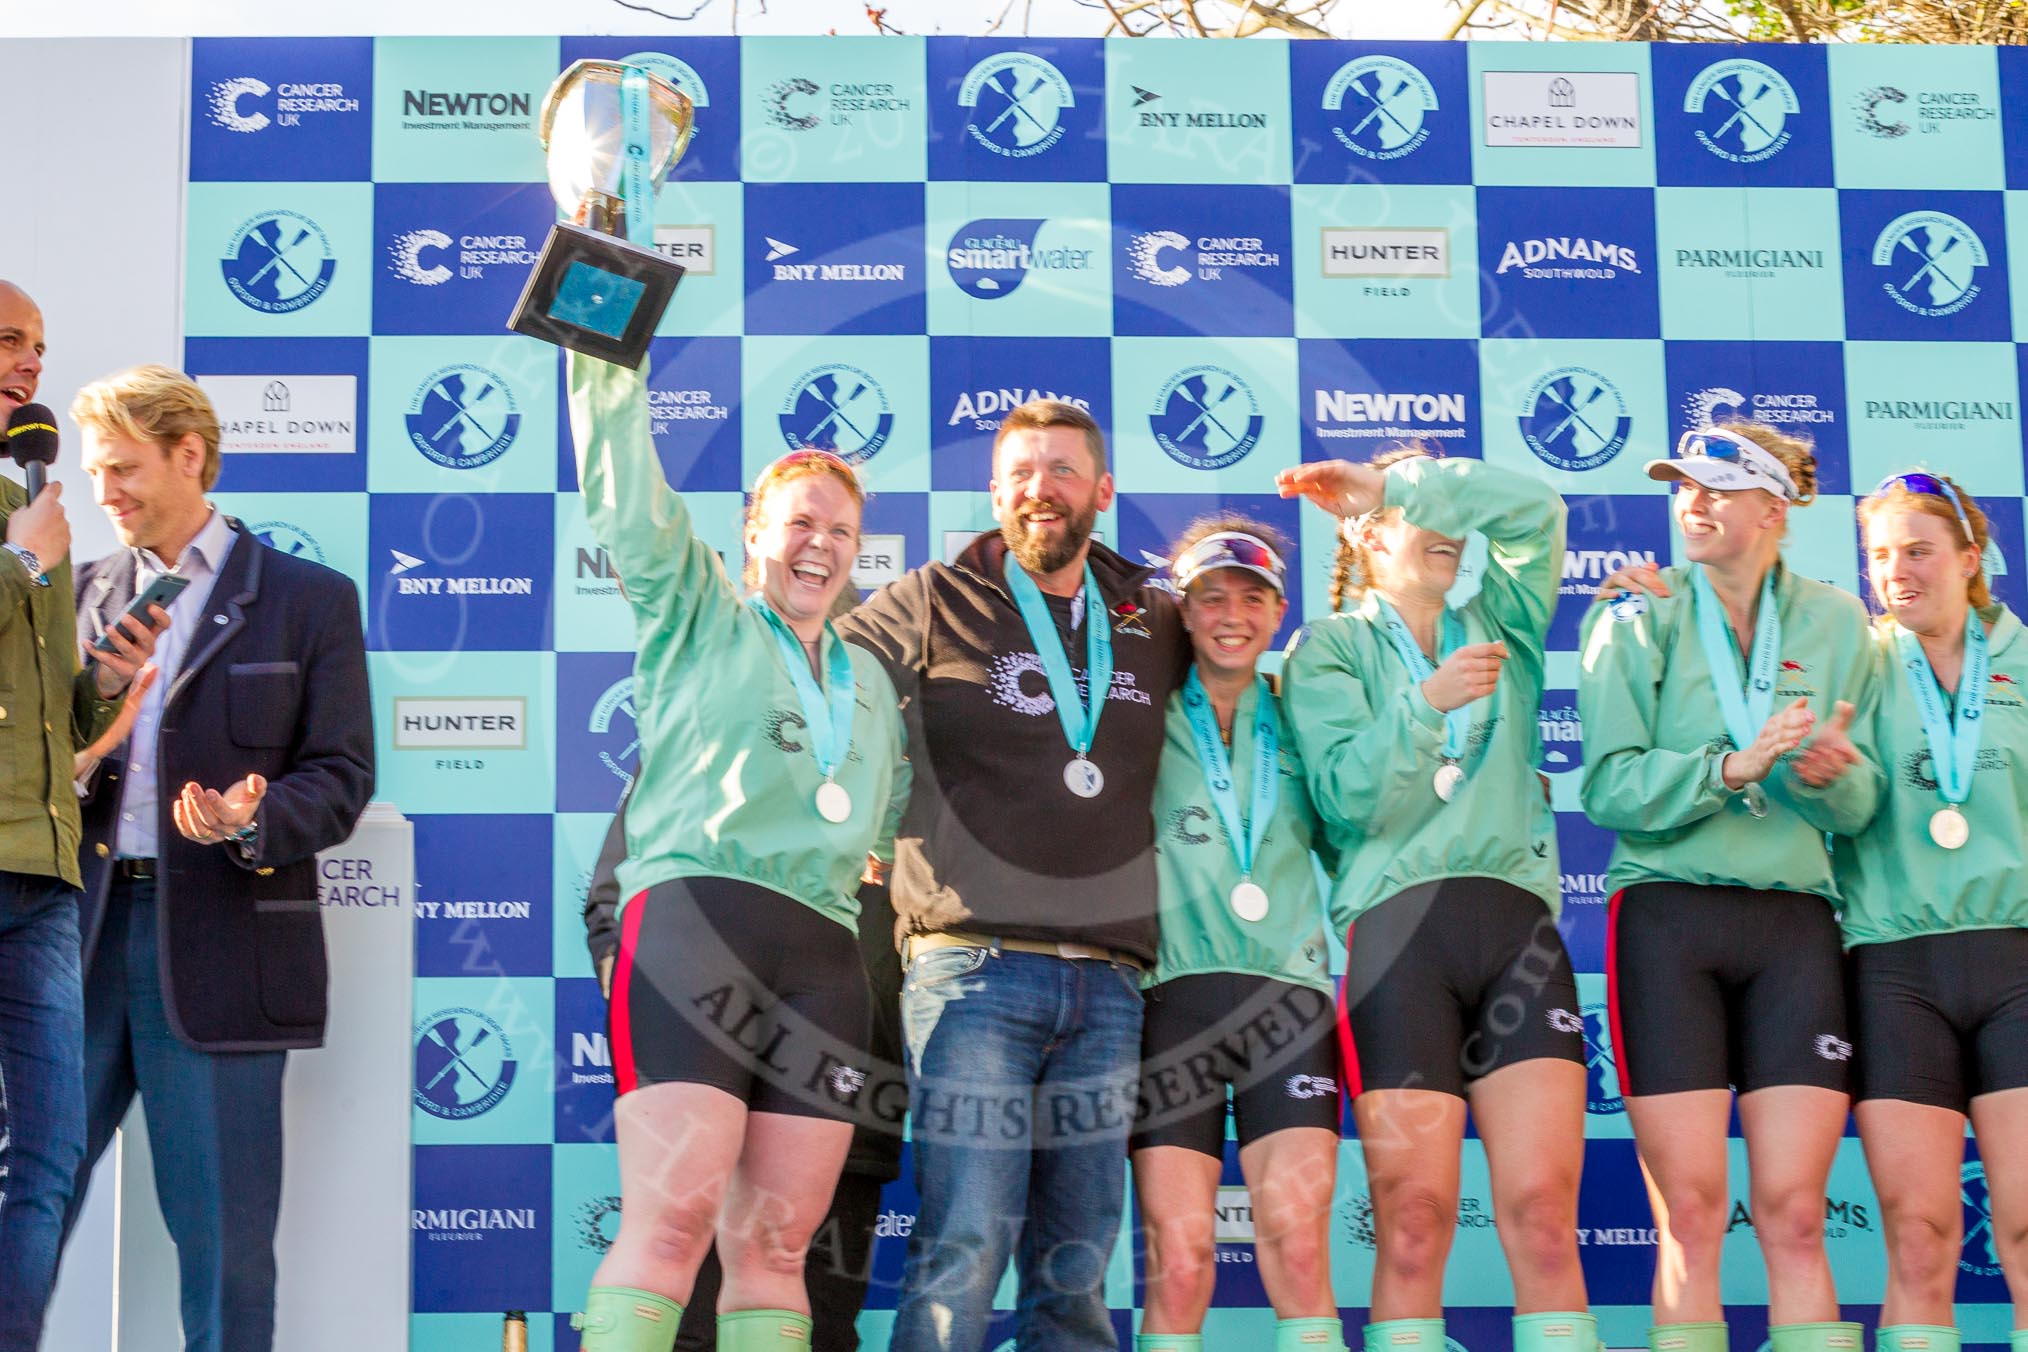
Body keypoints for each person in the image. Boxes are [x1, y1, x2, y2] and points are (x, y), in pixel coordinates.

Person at [564, 349, 909, 1352]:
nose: (819, 545)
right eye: (799, 522)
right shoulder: (698, 610)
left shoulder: (870, 684)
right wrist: (606, 362)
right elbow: (629, 494)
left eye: (840, 532)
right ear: (753, 531)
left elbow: (883, 820)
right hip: (694, 927)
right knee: (671, 1226)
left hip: (827, 963)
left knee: (776, 1249)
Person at [834, 399, 1186, 1352]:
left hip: (1110, 984)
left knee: (1076, 1274)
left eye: (1063, 470)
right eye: (1022, 472)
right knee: (963, 1251)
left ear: (1103, 490)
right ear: (994, 492)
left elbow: (1244, 698)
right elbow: (821, 677)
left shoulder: (1154, 613)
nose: (1042, 489)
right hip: (969, 970)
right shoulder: (931, 597)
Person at [61, 363, 374, 1352]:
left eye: (121, 468)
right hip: (69, 949)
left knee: (227, 1254)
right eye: (93, 471)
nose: (103, 492)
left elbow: (342, 774)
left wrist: (252, 817)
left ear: (189, 455)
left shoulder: (308, 599)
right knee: (20, 1210)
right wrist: (78, 752)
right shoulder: (70, 598)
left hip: (226, 946)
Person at [1278, 449, 1593, 1352]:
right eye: (1419, 515)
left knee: (1544, 1212)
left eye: (1451, 511)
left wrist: (1405, 487)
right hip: (1399, 942)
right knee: (1414, 1219)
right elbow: (1347, 799)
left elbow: (1536, 511)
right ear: (1367, 537)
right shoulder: (1328, 648)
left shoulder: (1502, 622)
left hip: (1517, 934)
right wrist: (1425, 704)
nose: (1450, 529)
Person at [1577, 422, 1879, 1352]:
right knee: (1692, 1214)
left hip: (1795, 926)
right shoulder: (1637, 612)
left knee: (1795, 1212)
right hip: (1667, 918)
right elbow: (1608, 789)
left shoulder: (1841, 623)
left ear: (1774, 508)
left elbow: (1864, 806)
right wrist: (1729, 769)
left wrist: (1832, 779)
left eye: (1717, 487)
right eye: (1684, 487)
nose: (1693, 503)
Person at [1129, 519, 1344, 1352]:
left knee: (1299, 1249)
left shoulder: (1304, 713)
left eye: (1251, 599)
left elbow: (1357, 823)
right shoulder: (1137, 713)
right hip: (1170, 1000)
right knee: (1180, 1263)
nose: (1231, 616)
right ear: (1181, 611)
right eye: (1210, 597)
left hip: (1289, 1002)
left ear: (1279, 612)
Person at [0, 284, 161, 1350]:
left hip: (45, 880)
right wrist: (19, 561)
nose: (30, 363)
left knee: (49, 1156)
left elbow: (50, 716)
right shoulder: (33, 533)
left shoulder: (36, 510)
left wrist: (105, 680)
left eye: (39, 347)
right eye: (9, 341)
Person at [1838, 473, 2028, 1352]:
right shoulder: (1856, 662)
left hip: (2017, 965)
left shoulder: (2022, 661)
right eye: (1881, 555)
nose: (1897, 571)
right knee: (1919, 1239)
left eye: (1917, 551)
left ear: (1970, 557)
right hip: (1895, 968)